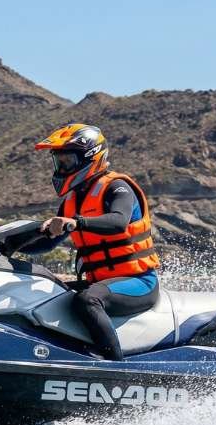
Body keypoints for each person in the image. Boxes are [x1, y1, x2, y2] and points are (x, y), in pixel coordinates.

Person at [29, 123, 160, 360]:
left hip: (139, 282)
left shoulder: (117, 187)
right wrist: (7, 247)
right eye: (59, 162)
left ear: (90, 157)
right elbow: (47, 244)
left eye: (67, 161)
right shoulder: (73, 200)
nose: (62, 168)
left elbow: (118, 222)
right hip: (101, 281)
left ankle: (115, 366)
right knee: (49, 292)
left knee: (88, 299)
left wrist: (76, 222)